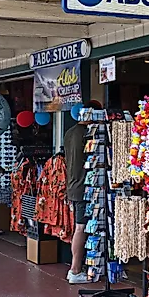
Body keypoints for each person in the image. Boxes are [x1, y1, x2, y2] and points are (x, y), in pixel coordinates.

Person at [64, 100, 103, 284]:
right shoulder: (88, 134)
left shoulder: (69, 132)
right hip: (83, 187)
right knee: (80, 227)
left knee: (79, 227)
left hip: (73, 185)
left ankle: (78, 267)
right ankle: (75, 269)